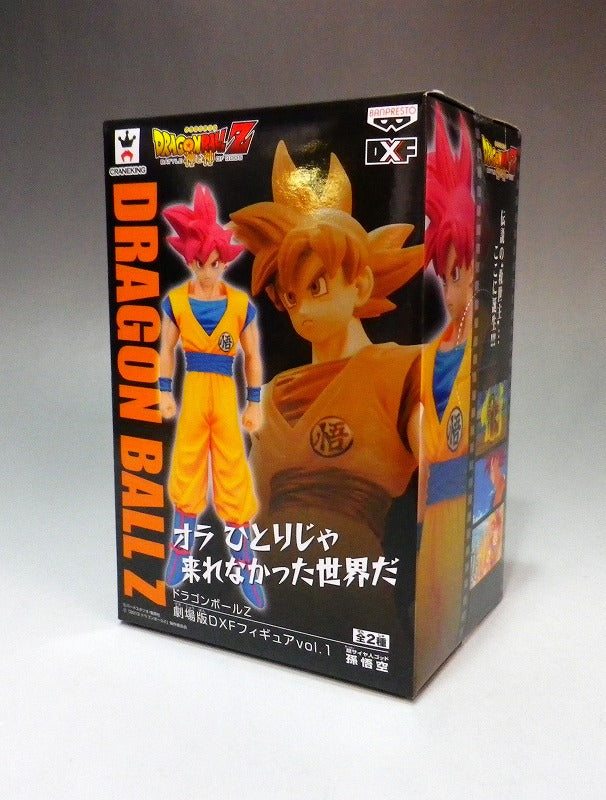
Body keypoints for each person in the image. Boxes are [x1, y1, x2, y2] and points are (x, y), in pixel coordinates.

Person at [230, 141, 423, 633]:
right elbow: (250, 510)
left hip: (354, 593)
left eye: (317, 287)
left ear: (360, 285)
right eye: (291, 298)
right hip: (271, 594)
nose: (303, 311)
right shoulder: (272, 395)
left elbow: (443, 487)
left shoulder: (400, 370)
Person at [159, 184, 265, 609]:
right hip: (193, 390)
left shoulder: (239, 305)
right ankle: (181, 549)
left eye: (215, 262)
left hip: (224, 393)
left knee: (232, 468)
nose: (207, 270)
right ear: (189, 261)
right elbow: (166, 350)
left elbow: (253, 356)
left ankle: (245, 562)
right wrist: (164, 391)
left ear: (225, 260)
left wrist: (254, 401)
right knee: (186, 465)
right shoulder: (176, 302)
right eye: (200, 263)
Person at [415, 105, 476, 684]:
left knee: (445, 617)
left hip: (461, 504)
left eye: (462, 273)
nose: (453, 289)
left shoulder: (477, 343)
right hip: (426, 509)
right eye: (446, 276)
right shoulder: (433, 349)